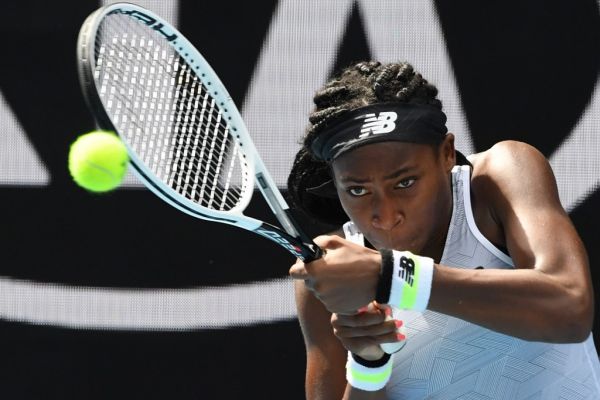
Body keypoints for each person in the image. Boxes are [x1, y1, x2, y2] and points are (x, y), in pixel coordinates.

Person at [287, 61, 600, 399]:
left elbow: (570, 308)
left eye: (405, 183)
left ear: (447, 153)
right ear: (335, 183)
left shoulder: (497, 178)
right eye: (358, 190)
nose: (386, 215)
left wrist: (393, 276)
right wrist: (368, 364)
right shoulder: (327, 277)